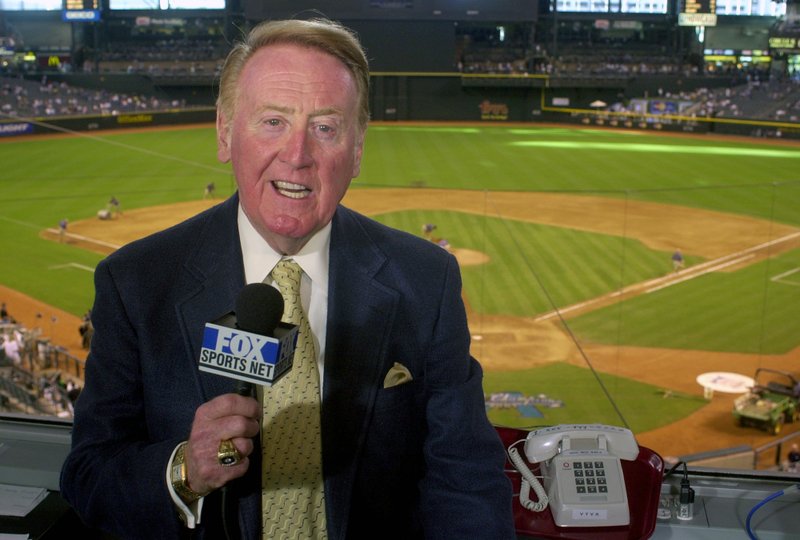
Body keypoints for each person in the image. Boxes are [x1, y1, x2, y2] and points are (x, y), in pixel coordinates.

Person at [60, 18, 515, 540]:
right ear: (225, 133)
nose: (297, 155)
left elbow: (465, 480)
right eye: (273, 121)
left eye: (325, 127)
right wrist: (184, 469)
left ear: (358, 149)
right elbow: (88, 477)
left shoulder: (426, 281)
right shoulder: (137, 282)